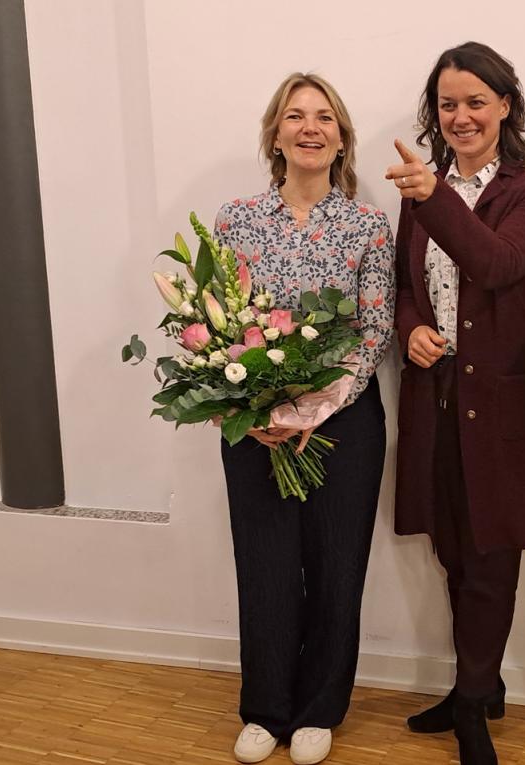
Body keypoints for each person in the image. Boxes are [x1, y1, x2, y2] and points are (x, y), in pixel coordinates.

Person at [386, 41, 525, 765]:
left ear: (505, 107)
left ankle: (471, 704)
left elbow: (497, 264)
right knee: (454, 551)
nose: (460, 116)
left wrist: (434, 197)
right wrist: (411, 329)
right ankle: (479, 686)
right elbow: (406, 285)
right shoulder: (419, 192)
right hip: (435, 400)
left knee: (492, 557)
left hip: (503, 408)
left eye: (475, 102)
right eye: (447, 104)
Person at [213, 72, 395, 765]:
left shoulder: (367, 225)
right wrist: (248, 407)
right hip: (255, 421)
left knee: (335, 567)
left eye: (324, 117)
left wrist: (315, 408)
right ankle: (265, 708)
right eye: (295, 116)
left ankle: (320, 708)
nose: (310, 127)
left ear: (341, 138)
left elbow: (374, 330)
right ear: (275, 134)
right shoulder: (235, 220)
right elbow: (217, 321)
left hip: (343, 424)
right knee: (264, 565)